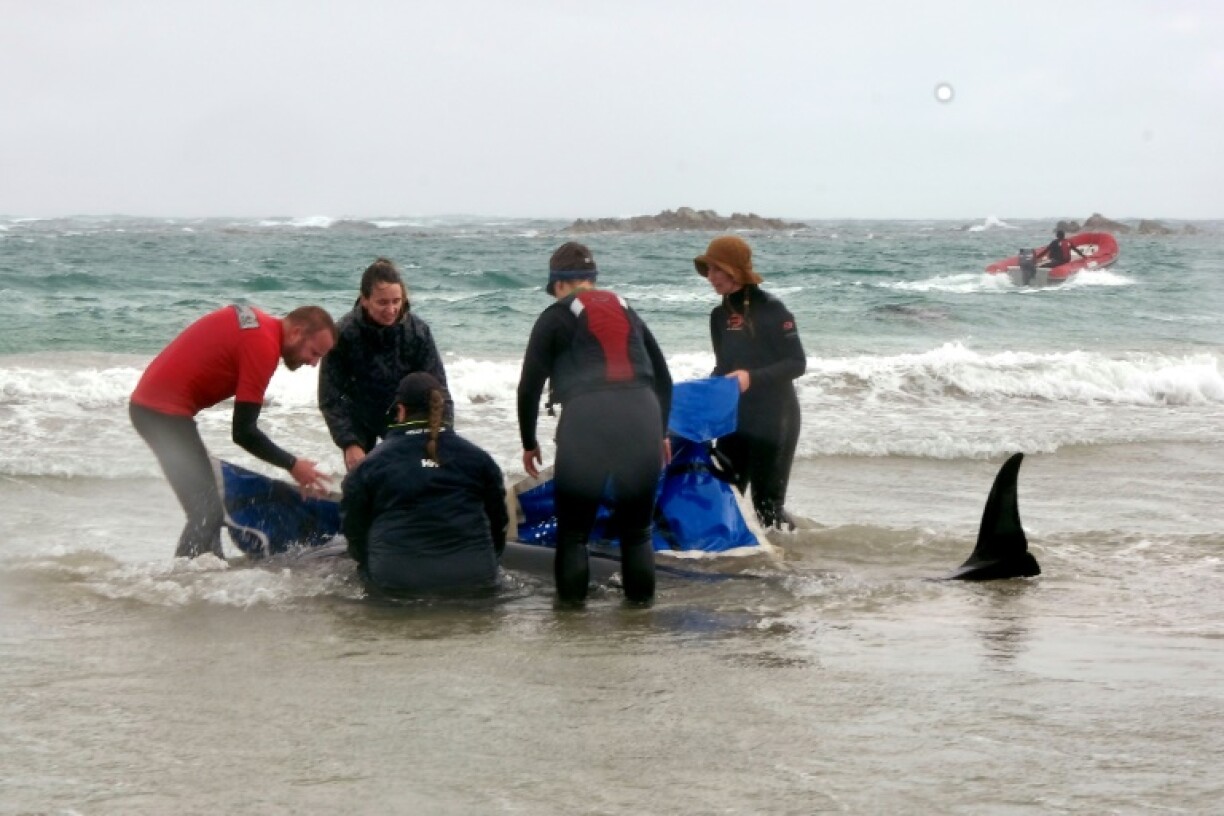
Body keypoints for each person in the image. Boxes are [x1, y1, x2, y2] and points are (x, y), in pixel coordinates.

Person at [517, 242, 673, 606]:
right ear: (592, 279)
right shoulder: (627, 310)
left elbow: (529, 387)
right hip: (642, 415)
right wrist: (661, 433)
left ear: (558, 283)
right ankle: (640, 620)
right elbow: (663, 379)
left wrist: (529, 441)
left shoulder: (554, 316)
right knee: (637, 532)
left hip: (587, 419)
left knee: (574, 534)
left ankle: (571, 622)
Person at [129, 304, 337, 558]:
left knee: (208, 510)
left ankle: (202, 572)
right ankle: (185, 575)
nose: (313, 363)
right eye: (314, 353)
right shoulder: (263, 346)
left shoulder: (260, 326)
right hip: (161, 414)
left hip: (154, 410)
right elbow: (243, 432)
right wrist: (293, 464)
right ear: (296, 332)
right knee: (207, 512)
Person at [340, 372, 507, 596]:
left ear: (400, 410)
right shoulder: (480, 460)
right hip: (474, 579)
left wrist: (369, 560)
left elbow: (353, 528)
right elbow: (499, 523)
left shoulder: (370, 465)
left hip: (397, 581)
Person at [695, 235, 806, 531]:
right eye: (708, 269)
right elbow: (724, 367)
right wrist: (701, 399)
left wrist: (751, 377)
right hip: (736, 420)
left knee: (767, 508)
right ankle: (733, 557)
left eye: (717, 269)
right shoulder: (719, 315)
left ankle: (792, 555)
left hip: (775, 417)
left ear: (734, 269)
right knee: (723, 498)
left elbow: (797, 363)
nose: (711, 276)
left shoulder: (772, 309)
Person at [319, 257, 448, 473]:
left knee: (412, 476)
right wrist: (349, 442)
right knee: (363, 477)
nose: (391, 309)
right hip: (359, 415)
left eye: (396, 301)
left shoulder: (418, 332)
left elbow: (438, 389)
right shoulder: (343, 333)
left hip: (404, 413)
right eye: (382, 302)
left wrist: (443, 434)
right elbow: (329, 396)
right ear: (365, 300)